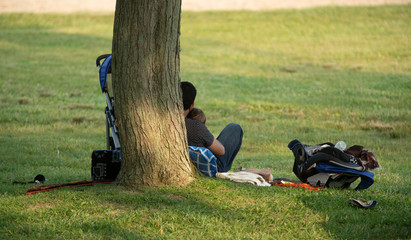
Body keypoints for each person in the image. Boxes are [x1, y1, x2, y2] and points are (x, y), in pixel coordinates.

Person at [181, 81, 243, 173]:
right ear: (192, 106)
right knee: (234, 128)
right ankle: (224, 172)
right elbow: (221, 151)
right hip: (208, 168)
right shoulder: (196, 126)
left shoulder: (164, 122)